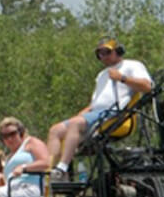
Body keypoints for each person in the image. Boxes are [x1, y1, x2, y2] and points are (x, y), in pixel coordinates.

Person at [47, 36, 153, 181]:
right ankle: (49, 171)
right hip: (95, 113)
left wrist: (122, 78)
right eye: (99, 54)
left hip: (114, 113)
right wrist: (80, 115)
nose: (103, 57)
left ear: (118, 51)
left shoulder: (132, 65)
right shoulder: (102, 75)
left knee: (75, 124)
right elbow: (94, 103)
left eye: (107, 52)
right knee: (56, 130)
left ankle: (62, 167)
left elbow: (148, 87)